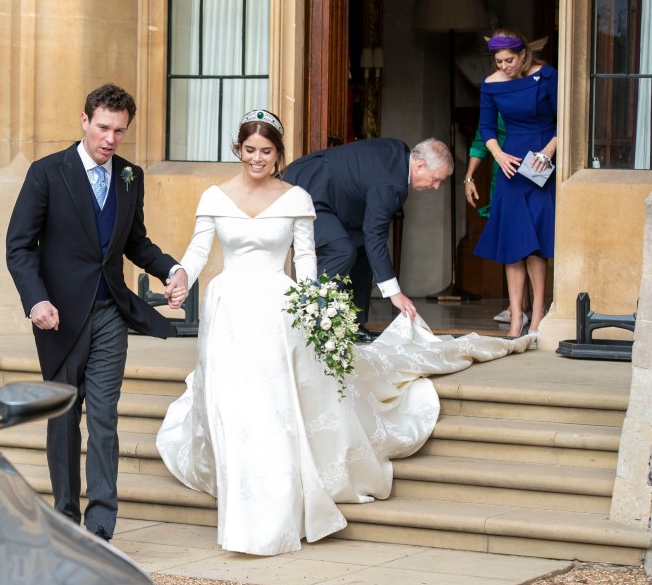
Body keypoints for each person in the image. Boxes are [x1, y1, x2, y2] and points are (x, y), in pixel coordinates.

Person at [156, 110, 533, 556]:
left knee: (272, 406)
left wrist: (318, 307)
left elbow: (308, 260)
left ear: (278, 155)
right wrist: (179, 276)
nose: (257, 158)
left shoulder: (297, 198)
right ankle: (240, 503)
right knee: (234, 405)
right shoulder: (214, 196)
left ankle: (274, 511)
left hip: (278, 309)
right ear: (240, 150)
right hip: (228, 310)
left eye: (267, 151)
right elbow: (198, 251)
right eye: (250, 150)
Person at [6, 83, 188, 541]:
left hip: (110, 314)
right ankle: (66, 519)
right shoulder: (47, 173)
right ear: (84, 121)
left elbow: (135, 242)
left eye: (120, 131)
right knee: (64, 416)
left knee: (105, 416)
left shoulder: (131, 176)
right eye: (103, 127)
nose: (110, 139)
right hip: (60, 319)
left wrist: (172, 269)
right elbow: (19, 246)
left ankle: (101, 523)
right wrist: (36, 300)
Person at [281, 137, 453, 340]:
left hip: (326, 195)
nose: (436, 186)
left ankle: (353, 324)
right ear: (420, 165)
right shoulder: (391, 184)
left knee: (361, 246)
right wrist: (394, 293)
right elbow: (376, 235)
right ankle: (316, 320)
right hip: (303, 190)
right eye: (435, 179)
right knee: (342, 250)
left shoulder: (399, 151)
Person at [474, 29, 558, 338]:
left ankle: (537, 316)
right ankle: (515, 320)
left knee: (535, 243)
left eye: (509, 60)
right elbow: (485, 126)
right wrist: (498, 155)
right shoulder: (491, 85)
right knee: (513, 244)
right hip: (510, 166)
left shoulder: (547, 76)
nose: (504, 66)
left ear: (524, 54)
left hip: (540, 162)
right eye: (498, 61)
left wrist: (549, 151)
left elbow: (565, 119)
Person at [464, 116, 530, 327]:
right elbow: (480, 140)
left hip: (533, 169)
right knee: (511, 239)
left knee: (530, 236)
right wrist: (469, 177)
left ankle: (533, 307)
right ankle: (518, 306)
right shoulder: (495, 98)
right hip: (504, 175)